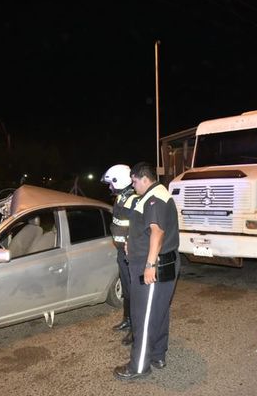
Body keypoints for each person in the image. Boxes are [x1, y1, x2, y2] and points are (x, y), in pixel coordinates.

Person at [113, 162, 180, 380]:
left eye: (134, 181)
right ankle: (158, 355)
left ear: (144, 178)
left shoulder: (154, 198)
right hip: (160, 263)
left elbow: (157, 232)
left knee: (143, 316)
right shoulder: (153, 195)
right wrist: (131, 242)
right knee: (158, 312)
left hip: (152, 267)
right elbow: (146, 230)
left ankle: (139, 366)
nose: (133, 186)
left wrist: (150, 264)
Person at [101, 164, 139, 346]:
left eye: (111, 183)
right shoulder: (120, 198)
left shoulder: (134, 200)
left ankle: (136, 329)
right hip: (121, 252)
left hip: (130, 254)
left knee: (134, 292)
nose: (110, 187)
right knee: (126, 289)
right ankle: (127, 319)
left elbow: (137, 228)